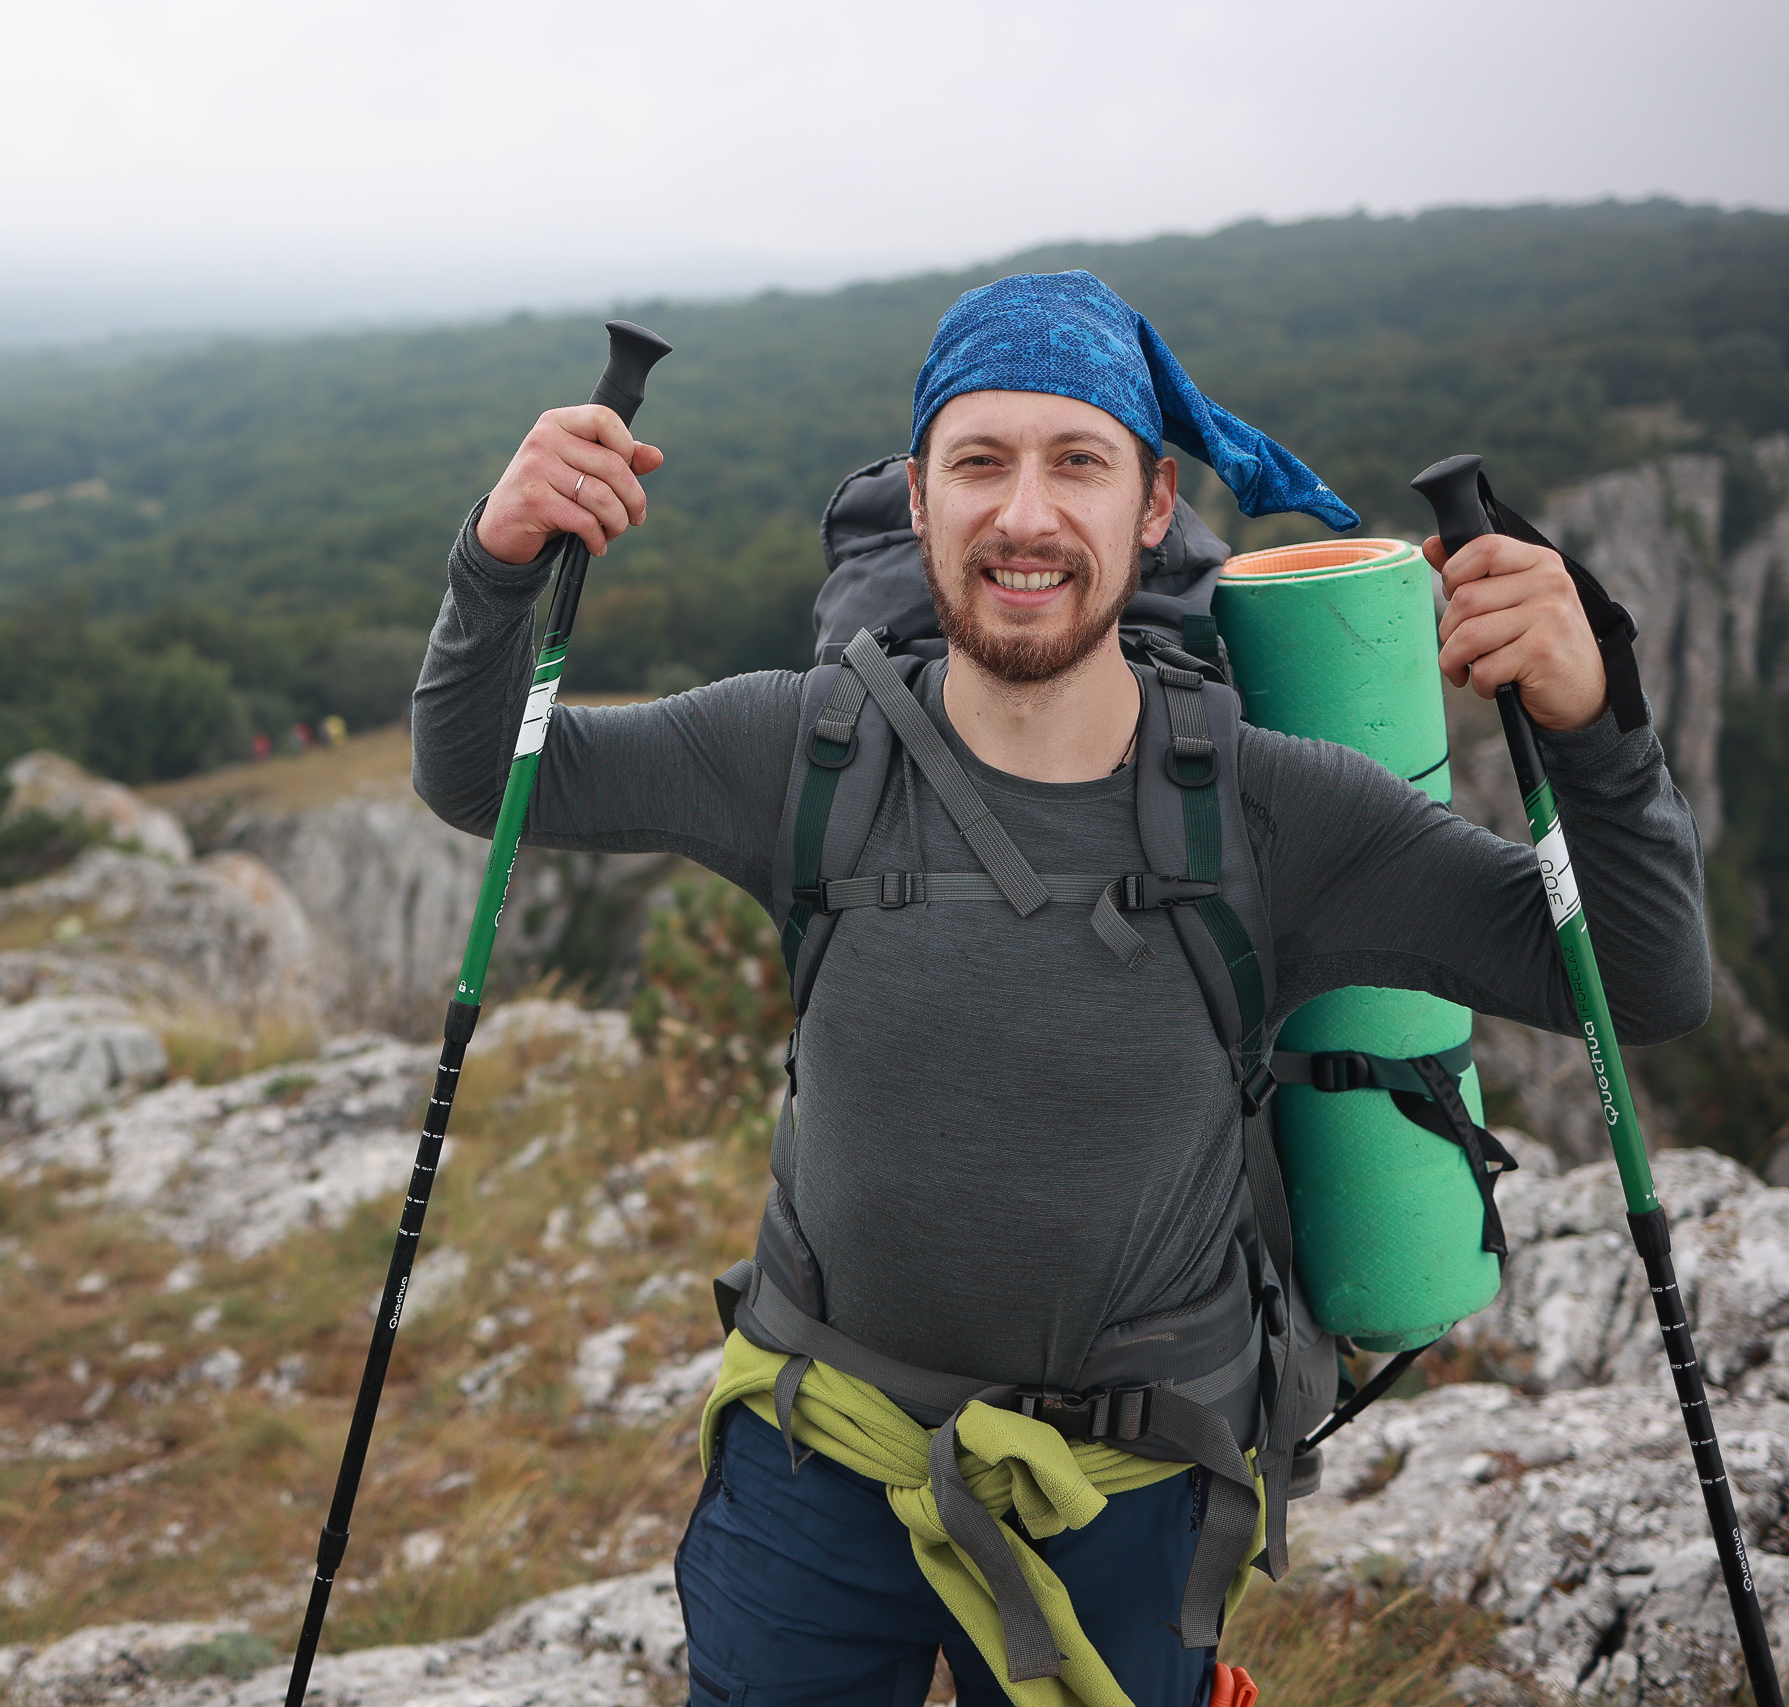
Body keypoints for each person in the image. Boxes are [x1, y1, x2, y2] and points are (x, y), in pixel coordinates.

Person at [412, 271, 1709, 1706]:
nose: (1024, 514)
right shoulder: (801, 751)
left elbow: (1639, 982)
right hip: (815, 1445)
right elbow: (484, 776)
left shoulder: (1277, 814)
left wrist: (1598, 720)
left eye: (1076, 461)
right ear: (919, 499)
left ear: (1152, 504)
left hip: (1129, 1485)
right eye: (980, 461)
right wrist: (499, 555)